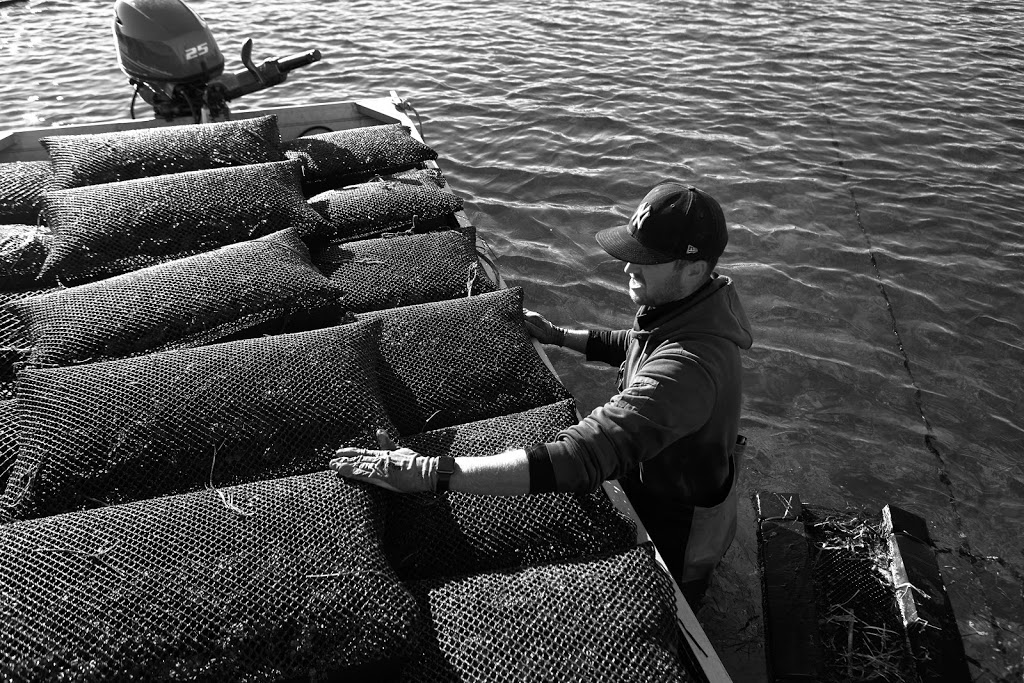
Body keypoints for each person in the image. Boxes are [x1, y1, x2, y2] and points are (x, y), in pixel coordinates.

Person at [330, 181, 753, 603]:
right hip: (659, 470)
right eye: (631, 254)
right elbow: (636, 342)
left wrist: (432, 473)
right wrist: (558, 336)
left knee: (678, 603)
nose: (628, 269)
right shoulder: (691, 305)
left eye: (647, 260)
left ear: (694, 269)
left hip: (681, 521)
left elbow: (583, 455)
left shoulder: (687, 370)